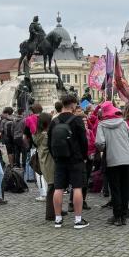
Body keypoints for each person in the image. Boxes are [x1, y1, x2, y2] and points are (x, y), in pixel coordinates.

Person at [49, 94, 89, 229]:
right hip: (75, 158)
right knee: (77, 187)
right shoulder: (77, 120)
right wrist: (84, 156)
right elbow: (84, 141)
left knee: (58, 188)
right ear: (73, 104)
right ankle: (78, 220)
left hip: (59, 159)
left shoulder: (54, 121)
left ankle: (58, 219)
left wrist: (55, 156)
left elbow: (50, 142)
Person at [96, 102, 129, 226]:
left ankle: (117, 216)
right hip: (126, 159)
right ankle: (123, 216)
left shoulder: (101, 125)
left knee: (115, 189)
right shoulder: (123, 123)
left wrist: (105, 148)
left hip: (112, 160)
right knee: (125, 188)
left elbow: (100, 143)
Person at [32, 113, 56, 221]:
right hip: (50, 163)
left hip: (44, 163)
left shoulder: (37, 134)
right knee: (52, 188)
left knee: (52, 187)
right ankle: (51, 213)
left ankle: (56, 208)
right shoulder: (46, 136)